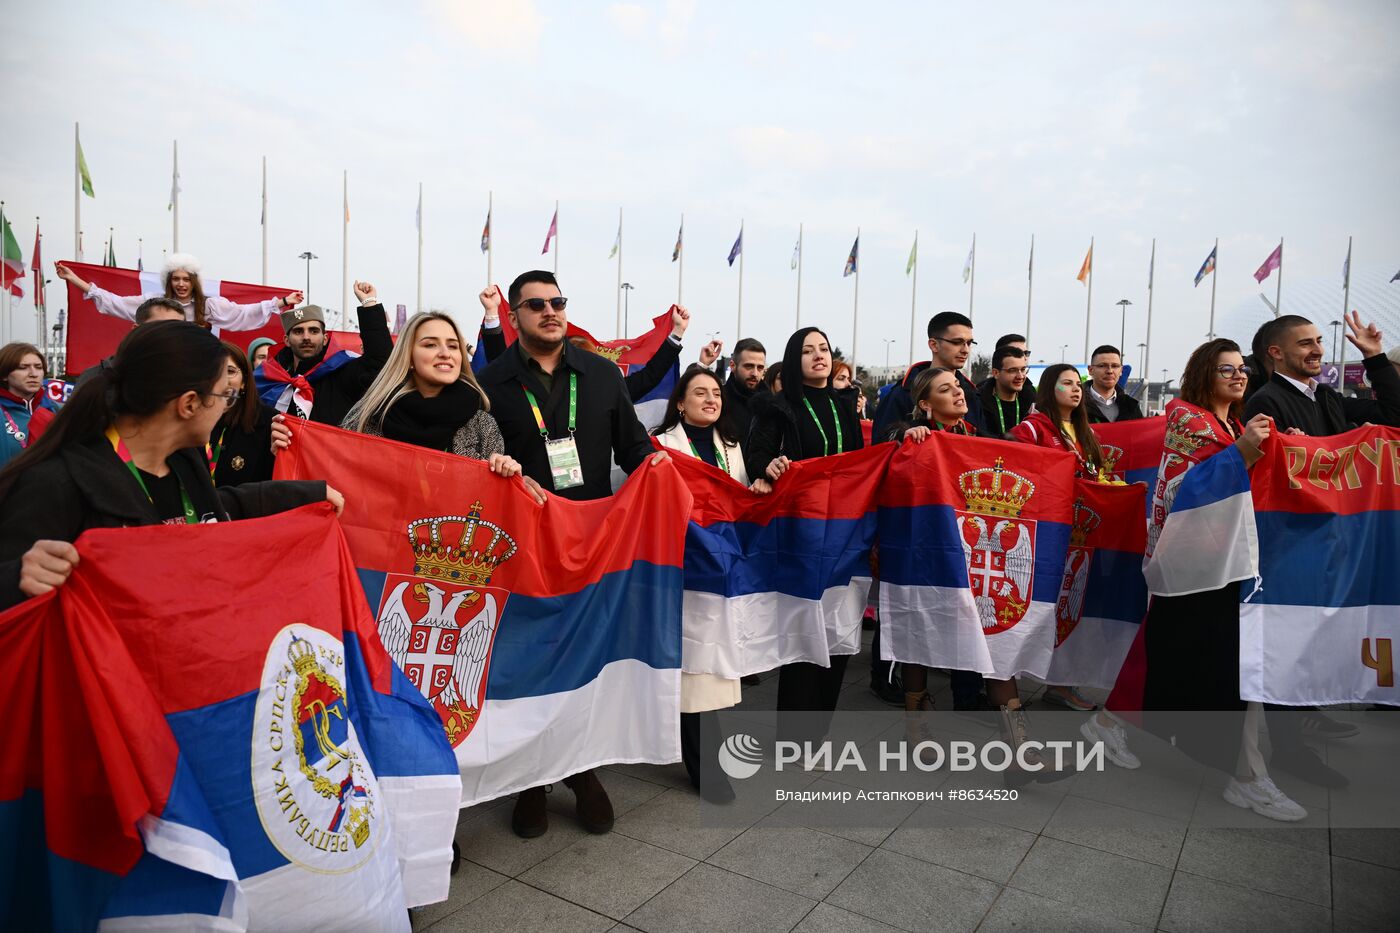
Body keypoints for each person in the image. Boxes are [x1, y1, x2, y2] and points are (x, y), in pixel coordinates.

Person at [476, 270, 663, 839]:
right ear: (514, 315)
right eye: (536, 305)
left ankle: (582, 773)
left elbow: (634, 448)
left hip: (592, 541)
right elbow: (474, 460)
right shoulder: (490, 382)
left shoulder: (603, 374)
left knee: (586, 660)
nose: (550, 312)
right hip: (522, 546)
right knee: (532, 660)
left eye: (558, 302)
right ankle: (531, 780)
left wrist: (660, 471)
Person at [0, 322, 342, 610]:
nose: (228, 407)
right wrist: (18, 578)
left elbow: (206, 515)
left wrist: (302, 495)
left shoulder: (181, 460)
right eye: (226, 395)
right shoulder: (55, 482)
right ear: (189, 404)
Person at [1136, 339, 1314, 819]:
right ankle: (1247, 777)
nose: (1238, 377)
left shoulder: (1229, 423)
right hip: (1201, 570)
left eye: (1242, 369)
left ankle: (1246, 771)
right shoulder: (1190, 423)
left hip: (1225, 567)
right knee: (1230, 672)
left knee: (1224, 670)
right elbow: (1182, 492)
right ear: (1203, 375)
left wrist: (1276, 448)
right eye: (1225, 369)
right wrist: (1243, 452)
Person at [885, 366, 1065, 786]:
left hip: (976, 559)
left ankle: (1021, 751)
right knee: (919, 634)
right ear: (926, 404)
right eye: (945, 389)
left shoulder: (980, 437)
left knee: (995, 640)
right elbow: (892, 471)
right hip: (925, 559)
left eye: (959, 386)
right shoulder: (911, 435)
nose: (958, 393)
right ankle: (918, 731)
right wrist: (905, 441)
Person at [652, 365, 771, 802]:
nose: (710, 399)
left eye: (716, 393)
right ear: (680, 402)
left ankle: (705, 754)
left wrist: (757, 489)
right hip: (681, 569)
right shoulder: (661, 447)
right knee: (698, 667)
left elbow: (738, 500)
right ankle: (705, 769)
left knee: (717, 665)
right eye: (699, 392)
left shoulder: (732, 446)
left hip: (723, 569)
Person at [745, 327, 865, 739]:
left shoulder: (845, 405)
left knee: (840, 628)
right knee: (804, 632)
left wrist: (906, 433)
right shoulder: (778, 407)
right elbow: (755, 454)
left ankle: (818, 730)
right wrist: (769, 467)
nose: (819, 356)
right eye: (808, 351)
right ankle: (794, 734)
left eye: (825, 349)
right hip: (801, 534)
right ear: (794, 359)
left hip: (844, 536)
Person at [261, 280, 393, 434]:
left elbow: (380, 362)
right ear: (286, 340)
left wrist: (369, 305)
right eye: (298, 331)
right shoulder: (270, 382)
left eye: (313, 331)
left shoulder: (342, 372)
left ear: (325, 339)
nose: (306, 337)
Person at [1244, 311, 1400, 434]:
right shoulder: (1264, 402)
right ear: (1277, 353)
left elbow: (1393, 415)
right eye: (1305, 344)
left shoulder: (1326, 395)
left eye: (1319, 341)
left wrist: (1374, 357)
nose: (1318, 351)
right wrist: (1349, 438)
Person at [56, 254, 302, 332]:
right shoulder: (154, 305)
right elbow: (114, 303)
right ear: (169, 281)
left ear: (193, 281)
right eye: (176, 279)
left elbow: (243, 313)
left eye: (186, 279)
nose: (181, 284)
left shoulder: (209, 306)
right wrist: (75, 279)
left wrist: (281, 302)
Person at [873, 312, 985, 443]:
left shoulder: (972, 394)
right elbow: (880, 446)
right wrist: (901, 437)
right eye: (957, 342)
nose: (966, 350)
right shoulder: (901, 394)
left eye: (969, 343)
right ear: (933, 345)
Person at [1010, 364, 1118, 482]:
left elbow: (1097, 475)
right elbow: (1017, 473)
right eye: (1067, 383)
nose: (1076, 389)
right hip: (1052, 498)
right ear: (1050, 388)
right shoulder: (1031, 429)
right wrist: (1058, 464)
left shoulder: (1089, 432)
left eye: (1078, 384)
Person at [74, 297, 189, 388]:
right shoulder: (96, 379)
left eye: (177, 328)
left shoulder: (194, 380)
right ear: (136, 329)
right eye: (159, 326)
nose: (169, 334)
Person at [210, 342, 277, 486]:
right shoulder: (188, 419)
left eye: (230, 371)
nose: (222, 379)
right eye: (214, 370)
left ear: (244, 382)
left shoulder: (270, 423)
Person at [1, 342, 59, 468]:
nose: (33, 374)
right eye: (23, 367)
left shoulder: (57, 410)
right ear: (4, 375)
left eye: (38, 367)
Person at [978, 344, 1033, 438]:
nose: (1020, 376)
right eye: (1012, 370)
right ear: (996, 373)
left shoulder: (1032, 404)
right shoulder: (978, 403)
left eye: (1023, 369)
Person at [1083, 345, 1144, 423]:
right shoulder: (1077, 404)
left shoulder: (1131, 406)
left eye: (1115, 366)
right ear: (1090, 370)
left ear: (1121, 370)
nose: (1110, 371)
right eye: (1102, 366)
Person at [723, 338, 768, 440]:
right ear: (732, 366)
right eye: (749, 366)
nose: (755, 373)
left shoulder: (773, 404)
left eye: (760, 368)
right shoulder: (719, 400)